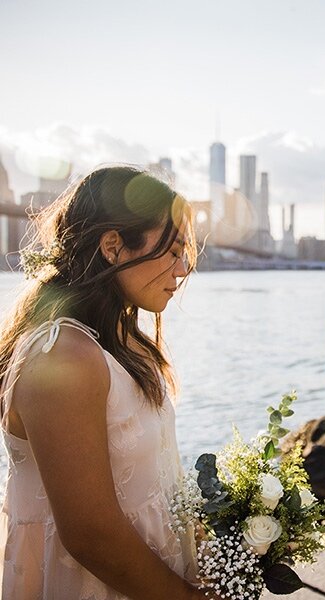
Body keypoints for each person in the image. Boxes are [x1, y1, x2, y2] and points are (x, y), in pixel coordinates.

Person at [0, 166, 210, 599]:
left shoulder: (123, 341)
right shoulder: (61, 356)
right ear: (113, 246)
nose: (184, 268)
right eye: (172, 252)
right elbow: (90, 535)